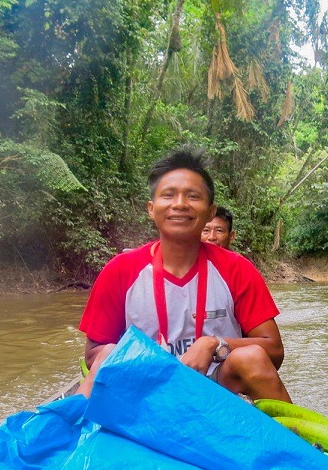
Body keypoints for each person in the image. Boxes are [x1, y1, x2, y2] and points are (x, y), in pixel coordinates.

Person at [77, 145, 291, 402]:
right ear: (151, 208)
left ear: (210, 211)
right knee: (108, 354)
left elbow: (273, 351)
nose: (179, 204)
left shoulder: (237, 269)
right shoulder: (121, 270)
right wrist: (148, 360)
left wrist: (214, 344)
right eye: (168, 195)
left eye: (192, 196)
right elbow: (94, 355)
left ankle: (290, 430)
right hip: (146, 387)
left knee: (251, 356)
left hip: (217, 387)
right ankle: (69, 423)